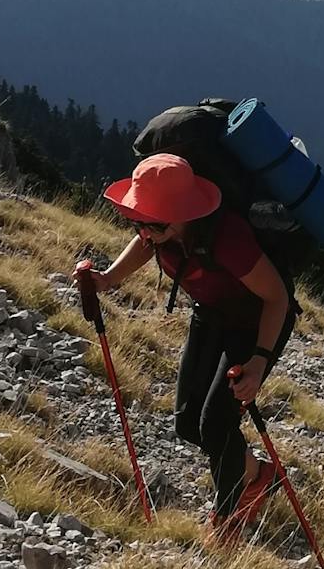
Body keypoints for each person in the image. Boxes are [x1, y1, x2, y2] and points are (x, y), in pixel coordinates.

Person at [74, 151, 296, 543]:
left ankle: (226, 523)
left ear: (186, 213)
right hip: (210, 316)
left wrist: (259, 362)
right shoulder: (162, 231)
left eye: (153, 224)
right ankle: (258, 476)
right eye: (137, 222)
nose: (144, 232)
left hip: (254, 325)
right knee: (187, 423)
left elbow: (277, 298)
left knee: (215, 424)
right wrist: (108, 280)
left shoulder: (228, 239)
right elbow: (147, 243)